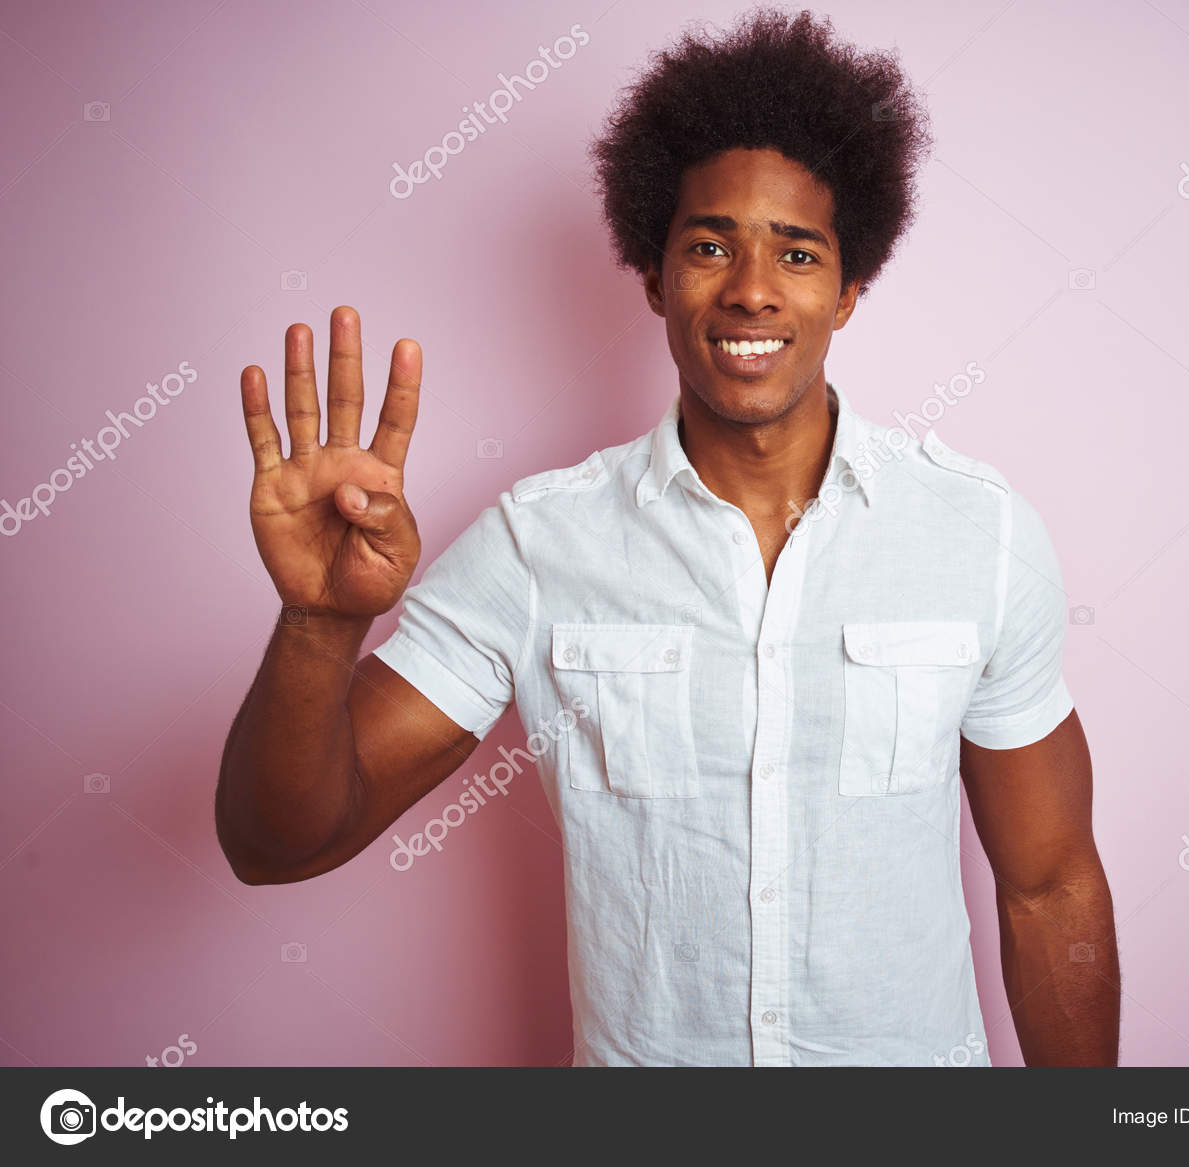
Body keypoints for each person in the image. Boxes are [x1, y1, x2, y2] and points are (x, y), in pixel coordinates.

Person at [216, 6, 1117, 1067]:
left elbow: (1050, 884)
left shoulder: (978, 533)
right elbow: (277, 845)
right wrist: (319, 623)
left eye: (796, 251)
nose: (749, 288)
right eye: (707, 245)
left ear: (848, 290)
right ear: (652, 277)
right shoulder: (534, 547)